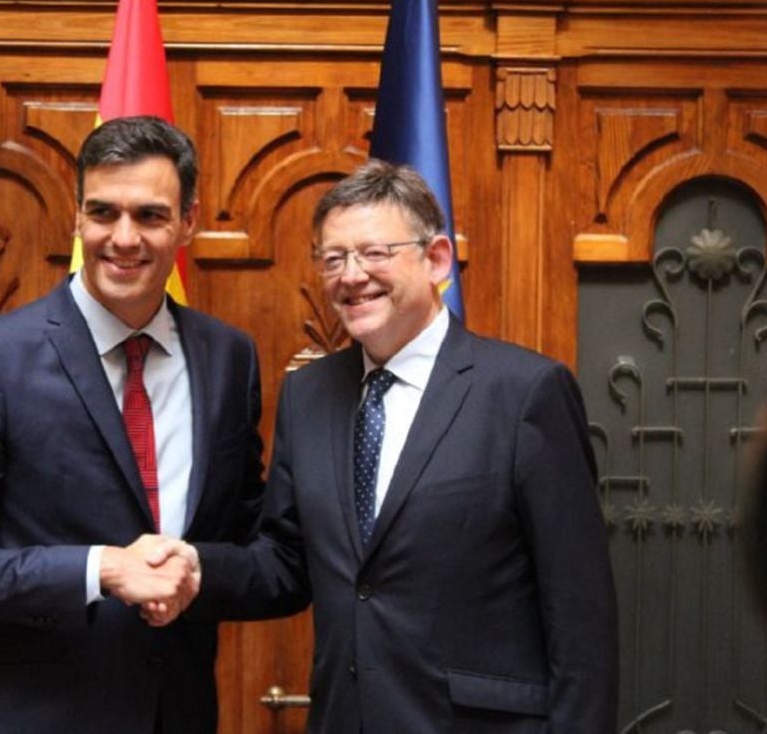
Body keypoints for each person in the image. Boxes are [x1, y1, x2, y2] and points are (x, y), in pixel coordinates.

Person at [171, 159, 618, 733]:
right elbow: (287, 564)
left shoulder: (526, 392)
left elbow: (580, 613)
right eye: (333, 258)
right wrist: (195, 568)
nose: (351, 275)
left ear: (435, 259)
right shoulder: (308, 394)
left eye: (374, 253)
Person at [0, 116, 264, 734]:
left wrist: (196, 570)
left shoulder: (228, 358)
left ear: (189, 220)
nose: (123, 238)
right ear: (76, 217)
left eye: (150, 215)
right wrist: (101, 569)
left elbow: (258, 549)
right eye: (103, 213)